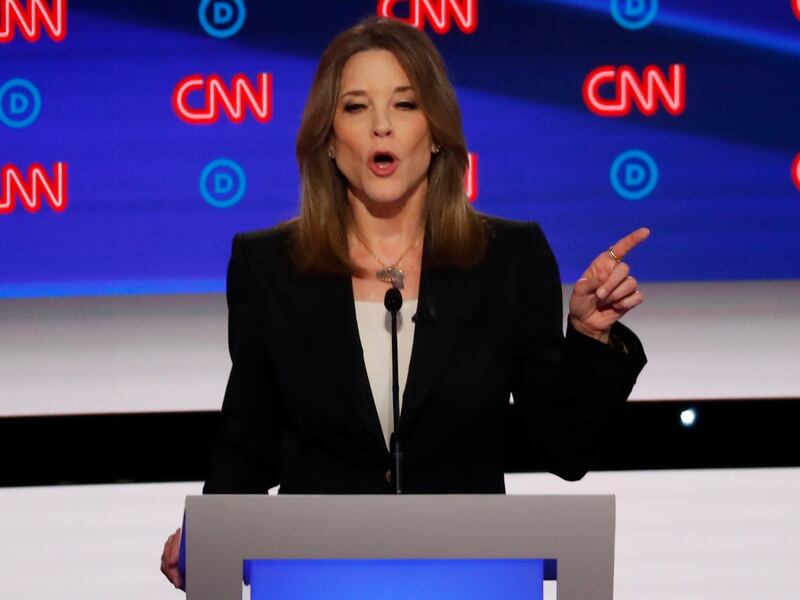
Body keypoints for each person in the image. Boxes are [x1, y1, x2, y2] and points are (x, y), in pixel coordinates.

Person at [161, 16, 648, 588]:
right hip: (315, 580)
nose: (382, 129)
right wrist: (209, 530)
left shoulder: (507, 259)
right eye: (356, 107)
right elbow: (249, 442)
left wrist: (588, 335)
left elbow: (564, 450)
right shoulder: (270, 267)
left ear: (436, 130)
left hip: (471, 579)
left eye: (405, 105)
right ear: (328, 140)